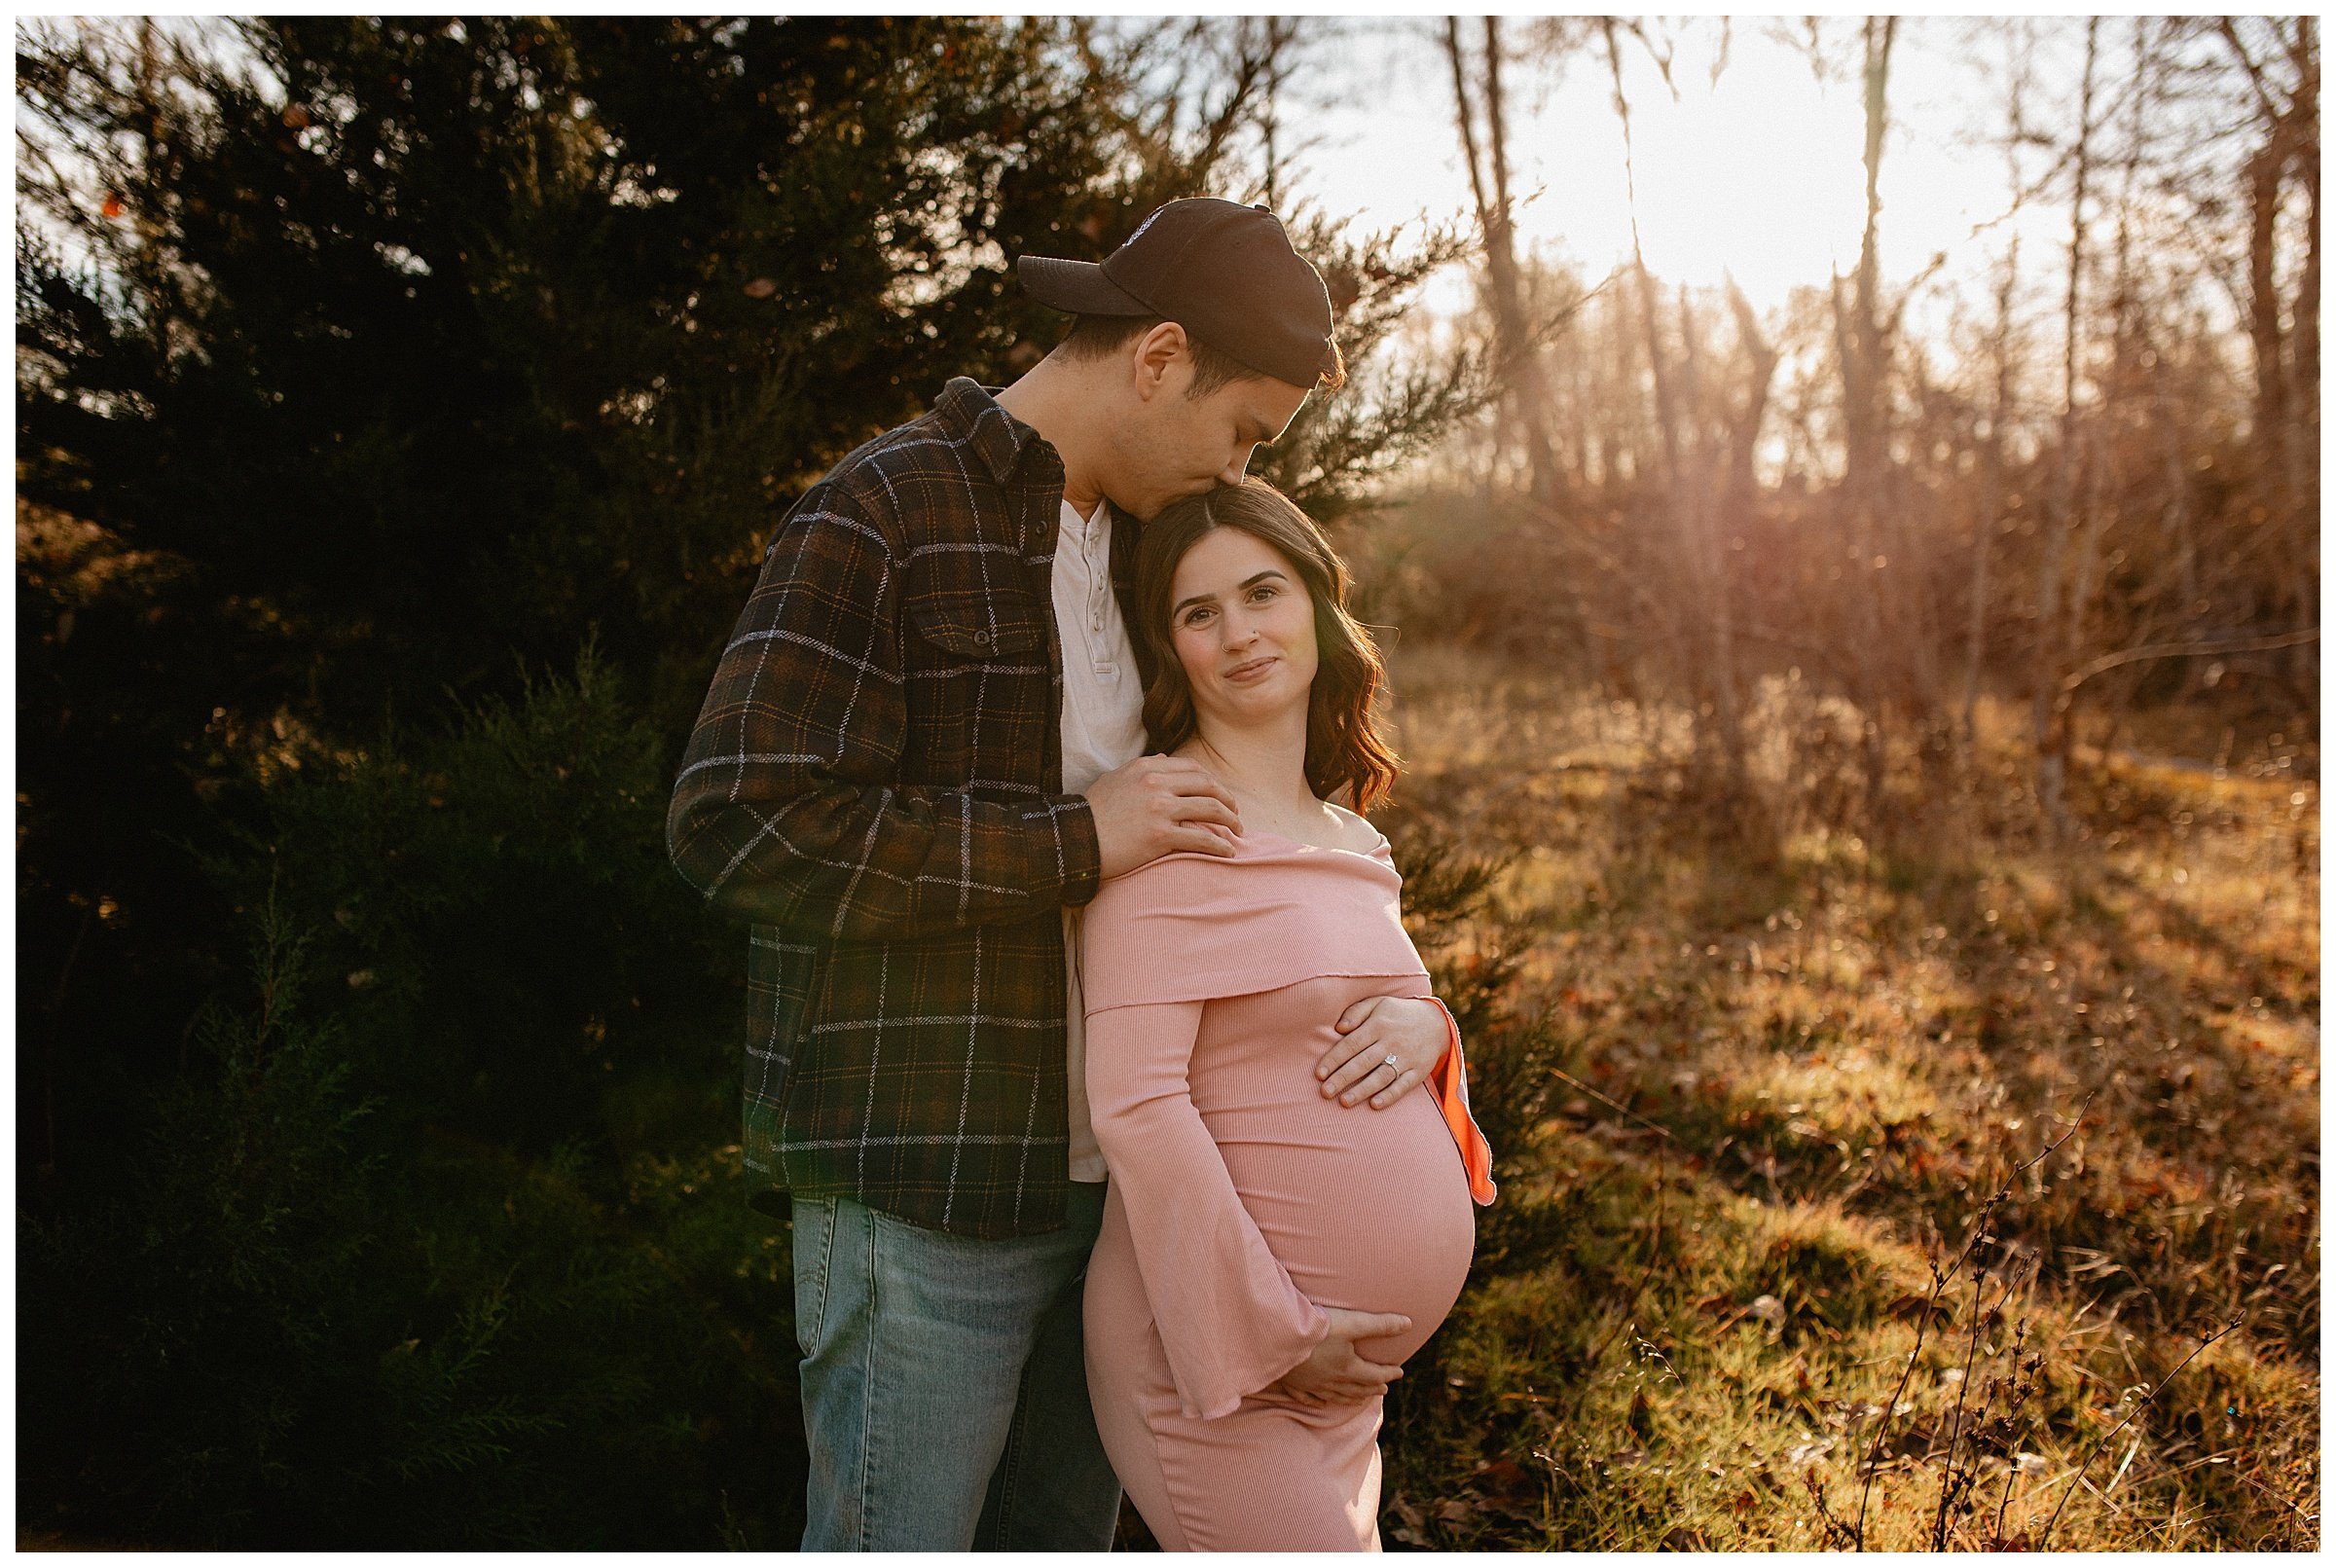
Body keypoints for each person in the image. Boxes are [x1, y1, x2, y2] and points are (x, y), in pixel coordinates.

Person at [666, 199, 1466, 1550]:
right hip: (932, 1194)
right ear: (1158, 358)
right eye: (1246, 429)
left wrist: (1418, 1018)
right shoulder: (887, 508)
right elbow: (739, 816)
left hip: (1117, 1221)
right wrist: (1071, 837)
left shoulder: (1144, 553)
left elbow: (1233, 876)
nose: (1238, 461)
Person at [1079, 478, 1498, 1551]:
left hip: (1341, 1380)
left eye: (1261, 593)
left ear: (1316, 605)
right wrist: (1275, 1334)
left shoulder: (1353, 843)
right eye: (1197, 613)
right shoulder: (1170, 833)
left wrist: (1434, 1031)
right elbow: (1137, 1105)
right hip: (1220, 1363)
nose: (1239, 633)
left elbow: (1361, 1022)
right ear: (1170, 651)